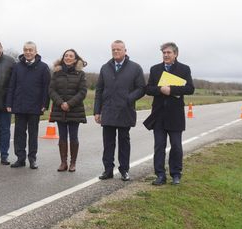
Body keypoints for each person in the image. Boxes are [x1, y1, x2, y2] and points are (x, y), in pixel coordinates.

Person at [93, 40, 145, 181]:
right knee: (108, 143)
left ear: (125, 50)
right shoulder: (105, 68)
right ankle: (108, 170)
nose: (116, 52)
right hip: (108, 111)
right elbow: (99, 90)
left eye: (118, 49)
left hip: (125, 111)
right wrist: (97, 111)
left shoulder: (135, 68)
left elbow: (141, 88)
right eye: (113, 50)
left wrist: (129, 98)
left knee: (124, 142)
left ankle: (124, 170)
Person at [144, 42, 194, 185]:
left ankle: (176, 174)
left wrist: (171, 90)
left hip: (175, 114)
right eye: (164, 53)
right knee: (159, 146)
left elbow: (190, 89)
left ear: (175, 54)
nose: (166, 55)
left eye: (169, 53)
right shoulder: (155, 69)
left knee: (176, 146)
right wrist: (160, 89)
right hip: (158, 114)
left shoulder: (184, 69)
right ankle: (160, 175)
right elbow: (148, 89)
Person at [6, 42, 50, 169]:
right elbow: (12, 86)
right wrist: (9, 103)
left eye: (31, 50)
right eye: (26, 50)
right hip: (19, 105)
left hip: (35, 106)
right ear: (23, 51)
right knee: (19, 134)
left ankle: (32, 159)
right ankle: (20, 158)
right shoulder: (17, 66)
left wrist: (44, 104)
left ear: (36, 52)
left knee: (33, 134)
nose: (28, 52)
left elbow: (46, 88)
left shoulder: (43, 67)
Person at [48, 49, 88, 172]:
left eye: (71, 56)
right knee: (62, 137)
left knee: (73, 137)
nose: (68, 58)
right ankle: (63, 162)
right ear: (63, 58)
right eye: (66, 55)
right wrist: (61, 103)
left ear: (75, 59)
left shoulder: (80, 74)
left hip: (74, 110)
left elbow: (82, 92)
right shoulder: (56, 73)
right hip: (60, 109)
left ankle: (73, 163)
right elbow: (51, 90)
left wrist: (69, 104)